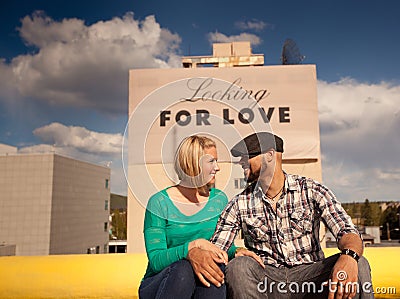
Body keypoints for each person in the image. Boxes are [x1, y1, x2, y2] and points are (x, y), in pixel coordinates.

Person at [211, 132, 374, 299]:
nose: (241, 161)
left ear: (270, 155)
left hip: (311, 279)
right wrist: (204, 251)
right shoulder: (239, 203)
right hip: (267, 282)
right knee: (239, 266)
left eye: (247, 156)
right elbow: (216, 249)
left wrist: (350, 256)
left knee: (358, 263)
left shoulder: (312, 190)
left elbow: (348, 231)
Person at [139, 135, 239, 299]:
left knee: (213, 267)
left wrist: (238, 252)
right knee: (183, 268)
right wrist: (193, 247)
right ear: (193, 164)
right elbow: (156, 260)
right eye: (211, 161)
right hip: (163, 283)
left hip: (204, 279)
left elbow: (222, 247)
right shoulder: (159, 203)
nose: (218, 167)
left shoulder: (219, 200)